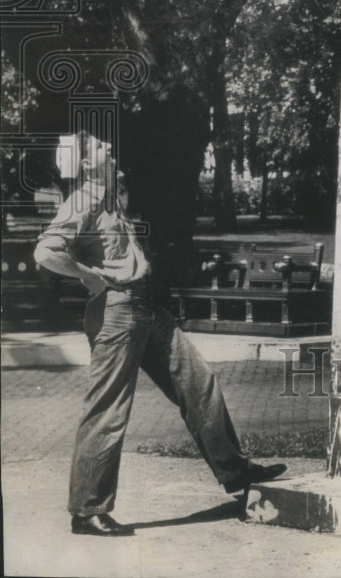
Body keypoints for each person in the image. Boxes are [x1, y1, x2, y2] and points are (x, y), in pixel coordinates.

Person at [34, 130, 286, 537]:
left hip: (146, 307)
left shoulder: (110, 196)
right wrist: (90, 278)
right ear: (83, 164)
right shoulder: (83, 199)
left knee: (198, 383)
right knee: (108, 410)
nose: (110, 148)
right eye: (100, 147)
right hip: (117, 311)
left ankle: (238, 473)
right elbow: (46, 251)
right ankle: (87, 511)